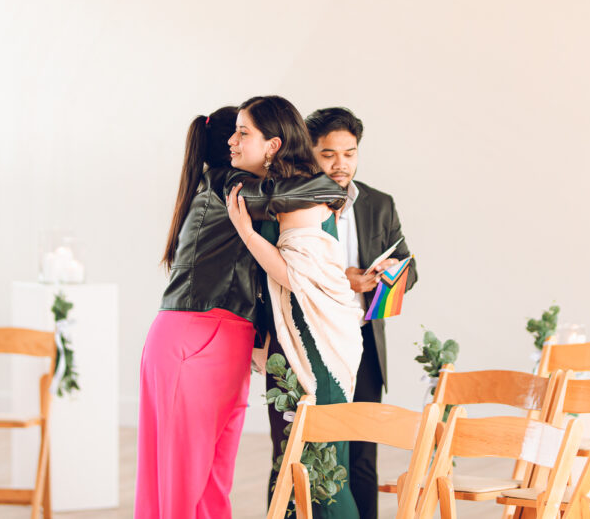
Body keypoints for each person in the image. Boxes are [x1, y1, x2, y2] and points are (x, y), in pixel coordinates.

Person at [135, 105, 346, 519]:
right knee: (183, 479)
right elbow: (287, 195)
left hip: (214, 338)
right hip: (198, 336)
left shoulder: (216, 184)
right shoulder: (227, 183)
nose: (237, 140)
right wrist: (336, 190)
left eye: (242, 133)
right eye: (237, 133)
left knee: (213, 478)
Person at [225, 95, 363, 519]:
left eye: (243, 132)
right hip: (290, 343)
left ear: (273, 145)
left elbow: (297, 277)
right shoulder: (281, 191)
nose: (232, 141)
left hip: (314, 347)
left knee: (320, 472)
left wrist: (246, 233)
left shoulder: (301, 192)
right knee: (287, 465)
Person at [304, 107, 418, 519]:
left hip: (366, 340)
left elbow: (411, 267)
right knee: (302, 451)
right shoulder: (293, 200)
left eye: (349, 154)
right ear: (310, 153)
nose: (341, 164)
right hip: (314, 340)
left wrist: (392, 272)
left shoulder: (379, 204)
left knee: (362, 454)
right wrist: (342, 279)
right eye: (329, 154)